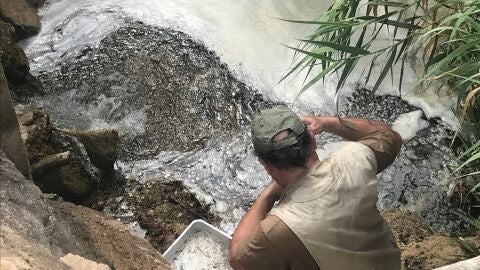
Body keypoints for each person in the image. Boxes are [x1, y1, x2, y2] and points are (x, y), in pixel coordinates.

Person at [229, 105, 402, 270]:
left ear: (266, 165)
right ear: (312, 141)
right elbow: (388, 135)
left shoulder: (279, 227)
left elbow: (238, 259)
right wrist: (327, 123)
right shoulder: (355, 158)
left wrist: (267, 196)